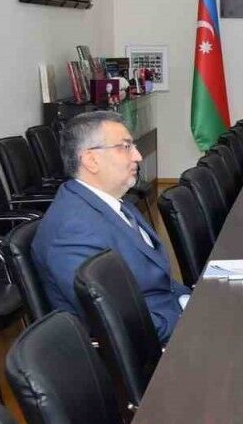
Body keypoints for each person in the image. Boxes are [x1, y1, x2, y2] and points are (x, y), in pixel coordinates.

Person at [32, 111, 190, 343]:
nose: (137, 156)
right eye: (125, 147)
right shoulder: (72, 231)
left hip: (170, 315)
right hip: (157, 345)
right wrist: (188, 318)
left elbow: (158, 281)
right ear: (91, 160)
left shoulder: (113, 202)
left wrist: (189, 300)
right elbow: (122, 323)